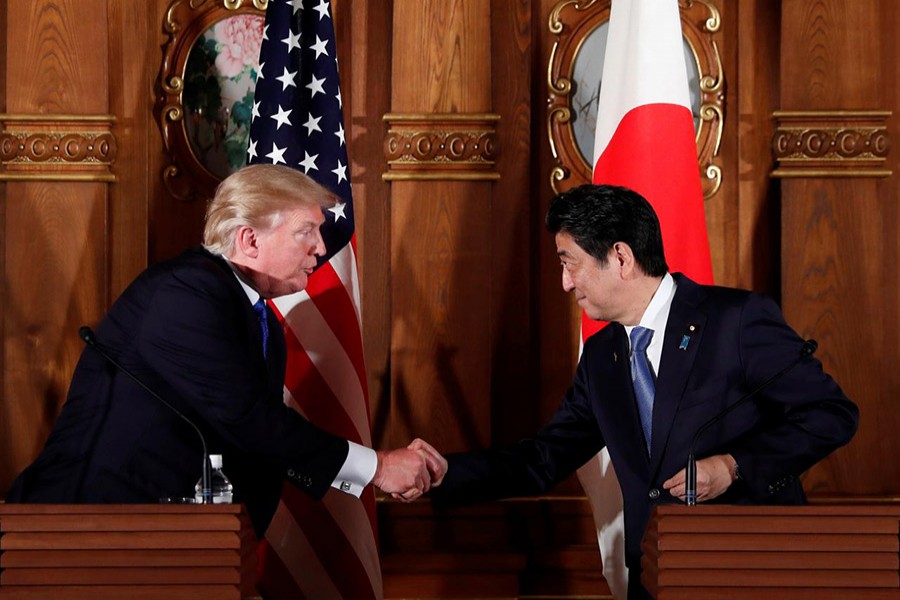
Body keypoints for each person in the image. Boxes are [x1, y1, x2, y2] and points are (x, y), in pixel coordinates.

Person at [428, 184, 859, 600]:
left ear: (620, 257)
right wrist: (442, 473)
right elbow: (544, 457)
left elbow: (831, 413)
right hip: (656, 576)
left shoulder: (736, 320)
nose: (564, 282)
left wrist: (734, 465)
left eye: (569, 263)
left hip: (747, 569)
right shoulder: (601, 357)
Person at [6, 164, 444, 536]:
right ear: (249, 241)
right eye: (306, 231)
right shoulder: (188, 292)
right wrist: (379, 467)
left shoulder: (254, 312)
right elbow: (251, 420)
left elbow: (248, 439)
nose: (321, 247)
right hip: (87, 529)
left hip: (180, 536)